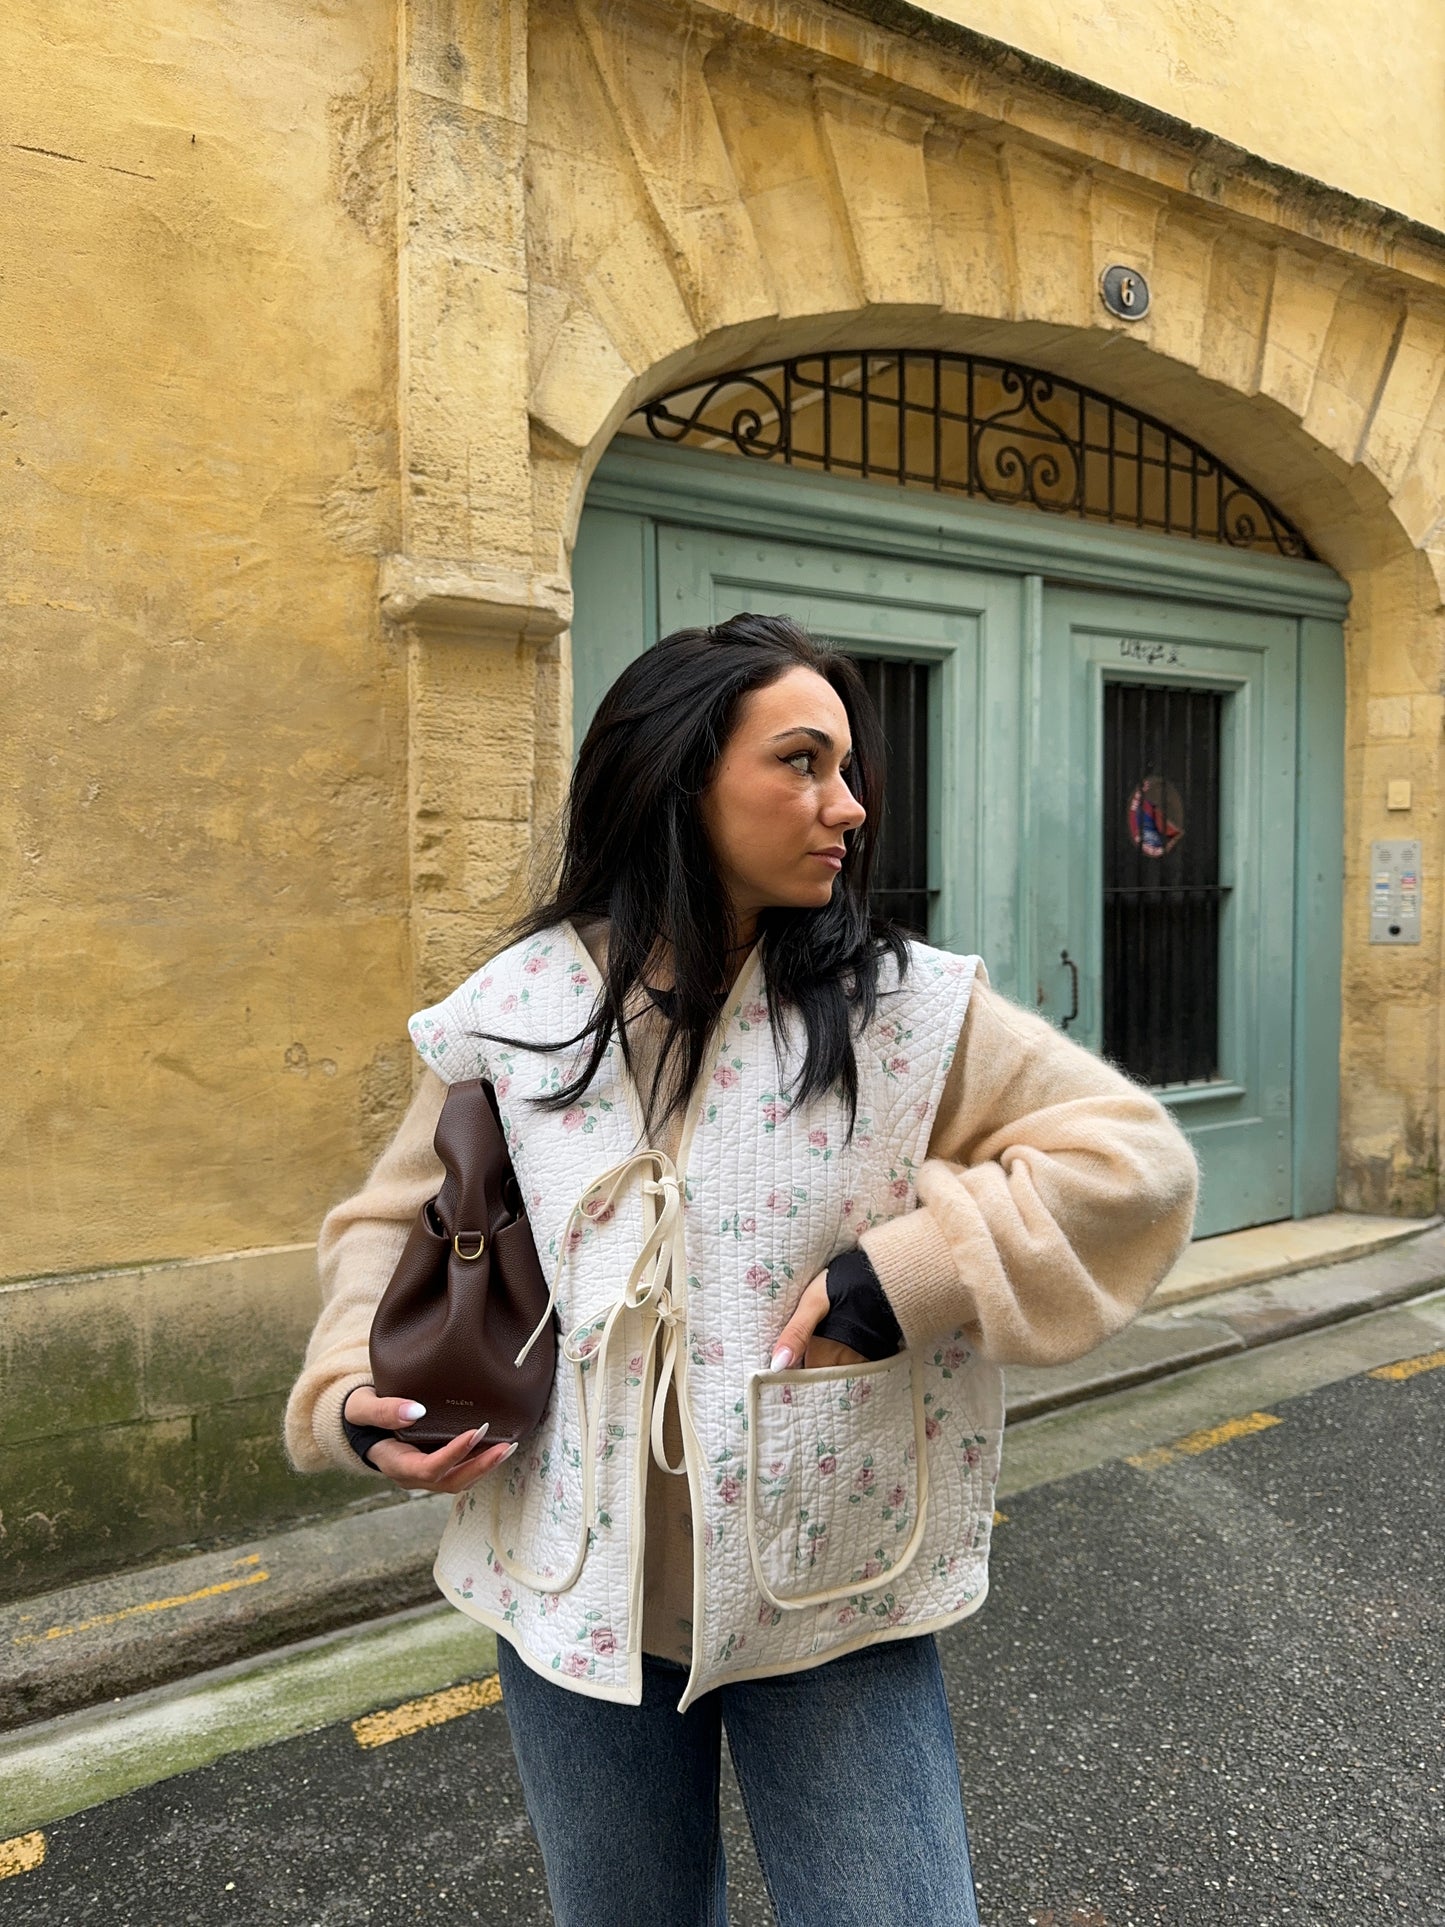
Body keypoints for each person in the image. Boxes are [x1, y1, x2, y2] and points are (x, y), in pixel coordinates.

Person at [285, 613, 1197, 1926]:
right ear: (676, 772)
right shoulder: (516, 1005)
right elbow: (399, 1217)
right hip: (564, 1579)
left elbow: (1131, 1166)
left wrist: (912, 1271)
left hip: (823, 1582)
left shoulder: (903, 1008)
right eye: (803, 763)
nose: (849, 804)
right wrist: (349, 1397)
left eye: (846, 768)